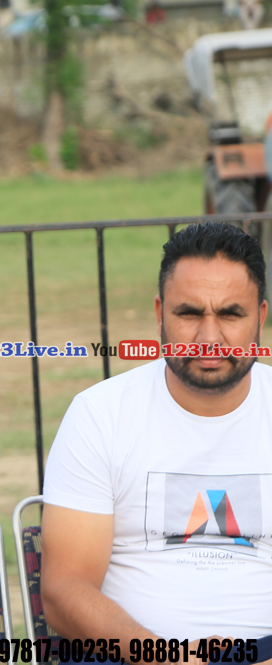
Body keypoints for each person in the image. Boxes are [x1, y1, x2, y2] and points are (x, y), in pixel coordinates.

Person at [42, 222, 272, 650]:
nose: (209, 338)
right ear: (159, 313)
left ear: (259, 317)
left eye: (230, 314)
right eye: (189, 313)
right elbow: (64, 589)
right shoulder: (101, 414)